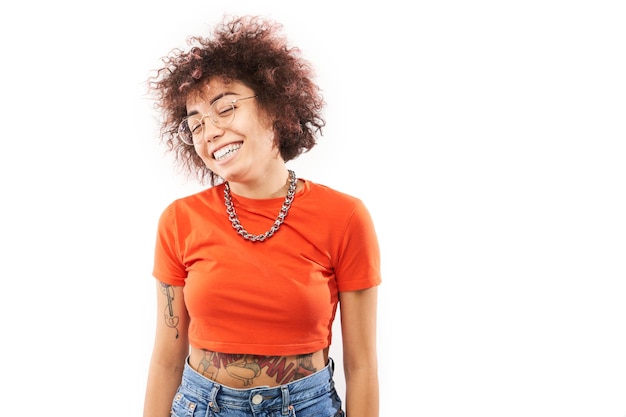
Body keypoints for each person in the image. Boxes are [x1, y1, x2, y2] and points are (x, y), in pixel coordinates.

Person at [142, 14, 381, 417]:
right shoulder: (179, 221)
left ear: (275, 106)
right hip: (203, 406)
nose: (209, 131)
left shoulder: (345, 217)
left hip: (307, 406)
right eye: (195, 123)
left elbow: (362, 366)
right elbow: (166, 359)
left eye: (225, 108)